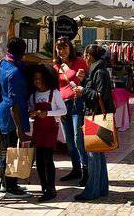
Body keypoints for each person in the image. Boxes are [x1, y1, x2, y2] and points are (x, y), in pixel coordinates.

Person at [73, 44, 115, 201]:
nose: (84, 57)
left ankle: (92, 190)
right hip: (96, 116)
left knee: (93, 155)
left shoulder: (99, 72)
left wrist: (83, 90)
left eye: (85, 54)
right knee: (98, 153)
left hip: (95, 117)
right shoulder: (97, 71)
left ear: (89, 55)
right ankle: (101, 188)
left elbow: (100, 95)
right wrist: (84, 82)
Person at [0, 37, 32, 198]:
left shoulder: (1, 64)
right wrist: (20, 128)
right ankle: (10, 188)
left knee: (8, 151)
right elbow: (15, 104)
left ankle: (8, 184)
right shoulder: (16, 73)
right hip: (12, 117)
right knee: (14, 151)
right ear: (23, 53)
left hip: (2, 113)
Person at [53, 37, 89, 185]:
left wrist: (84, 79)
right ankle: (76, 169)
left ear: (70, 48)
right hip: (62, 106)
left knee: (78, 138)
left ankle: (86, 170)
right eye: (59, 48)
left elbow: (89, 80)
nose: (62, 51)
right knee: (69, 140)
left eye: (64, 47)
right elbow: (55, 87)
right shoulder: (56, 66)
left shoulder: (79, 62)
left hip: (76, 103)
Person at [29, 64, 67, 202]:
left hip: (51, 130)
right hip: (38, 131)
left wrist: (48, 113)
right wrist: (32, 113)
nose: (37, 81)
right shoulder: (33, 95)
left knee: (48, 159)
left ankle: (51, 188)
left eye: (40, 78)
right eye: (35, 79)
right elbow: (30, 109)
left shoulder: (54, 93)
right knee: (39, 160)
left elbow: (63, 110)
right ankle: (44, 187)